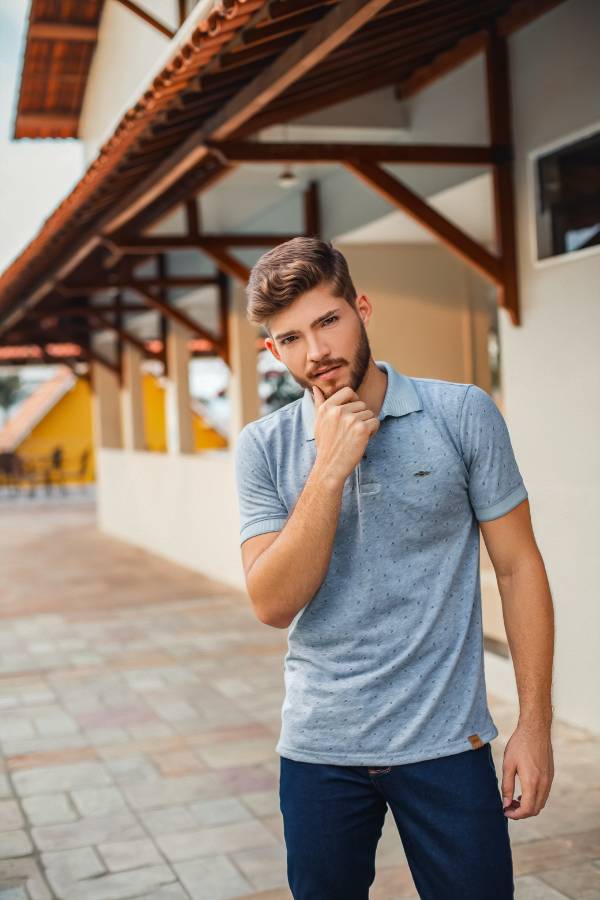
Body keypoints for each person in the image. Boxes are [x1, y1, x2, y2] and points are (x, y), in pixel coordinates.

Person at [234, 237, 555, 900]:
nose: (316, 351)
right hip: (321, 748)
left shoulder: (461, 413)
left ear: (362, 308)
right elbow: (272, 603)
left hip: (448, 741)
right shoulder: (263, 449)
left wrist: (534, 723)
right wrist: (328, 468)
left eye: (328, 321)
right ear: (274, 352)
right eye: (291, 338)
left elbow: (519, 566)